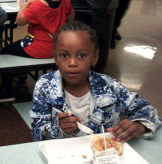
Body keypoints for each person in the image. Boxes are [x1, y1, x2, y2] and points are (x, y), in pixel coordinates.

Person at [30, 21, 161, 141]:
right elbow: (36, 133)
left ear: (95, 57)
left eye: (81, 55)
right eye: (64, 55)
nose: (72, 63)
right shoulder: (44, 87)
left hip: (106, 158)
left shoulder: (109, 86)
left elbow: (148, 110)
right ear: (56, 58)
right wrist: (57, 128)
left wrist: (138, 126)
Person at [0, 0, 75, 103]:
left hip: (38, 46)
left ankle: (6, 91)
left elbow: (19, 21)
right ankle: (20, 73)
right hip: (57, 45)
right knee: (17, 49)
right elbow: (71, 17)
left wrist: (27, 3)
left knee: (6, 51)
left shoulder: (37, 5)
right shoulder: (65, 1)